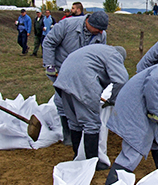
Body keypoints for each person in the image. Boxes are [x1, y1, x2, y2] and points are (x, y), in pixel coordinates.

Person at [53, 45, 129, 170]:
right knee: (91, 124)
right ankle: (92, 162)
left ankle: (78, 158)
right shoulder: (114, 55)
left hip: (63, 82)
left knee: (75, 122)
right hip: (82, 83)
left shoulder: (96, 51)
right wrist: (113, 100)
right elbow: (121, 81)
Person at [43, 11, 109, 145]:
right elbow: (49, 42)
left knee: (82, 99)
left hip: (84, 72)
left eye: (102, 30)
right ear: (88, 22)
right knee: (62, 100)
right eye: (98, 29)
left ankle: (81, 132)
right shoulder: (67, 25)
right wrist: (50, 65)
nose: (100, 32)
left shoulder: (101, 35)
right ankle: (68, 134)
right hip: (62, 69)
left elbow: (101, 54)